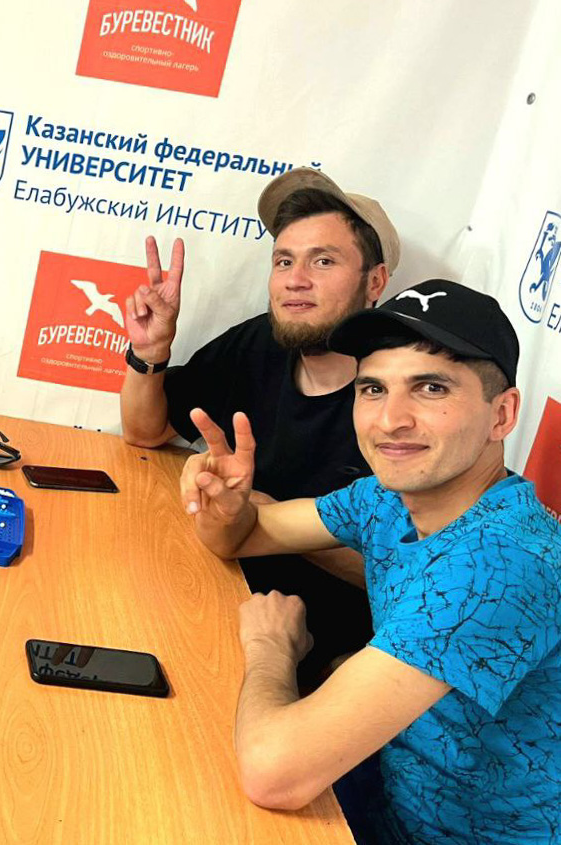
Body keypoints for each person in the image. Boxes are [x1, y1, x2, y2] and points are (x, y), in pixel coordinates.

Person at [181, 279, 559, 844]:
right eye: (373, 389)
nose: (389, 420)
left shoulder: (500, 563)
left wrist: (272, 648)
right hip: (382, 790)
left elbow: (274, 772)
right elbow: (248, 534)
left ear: (502, 415)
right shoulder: (387, 496)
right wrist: (225, 505)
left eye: (431, 388)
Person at [120, 167, 401, 684]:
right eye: (284, 261)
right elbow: (145, 431)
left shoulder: (400, 401)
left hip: (316, 652)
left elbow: (405, 573)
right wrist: (150, 351)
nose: (295, 279)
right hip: (214, 584)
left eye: (323, 260)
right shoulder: (260, 342)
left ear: (375, 282)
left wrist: (257, 513)